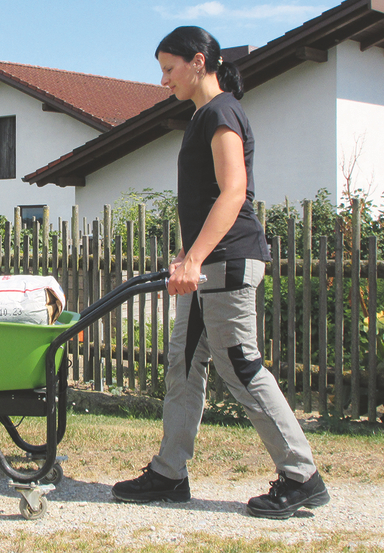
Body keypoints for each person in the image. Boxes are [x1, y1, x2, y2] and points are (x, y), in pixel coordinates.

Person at [111, 26, 329, 520]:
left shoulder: (222, 112)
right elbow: (204, 201)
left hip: (228, 262)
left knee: (240, 364)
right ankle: (170, 473)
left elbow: (234, 192)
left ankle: (302, 476)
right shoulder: (200, 117)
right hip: (207, 262)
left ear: (199, 61)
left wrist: (195, 259)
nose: (163, 79)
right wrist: (186, 256)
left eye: (169, 69)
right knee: (183, 367)